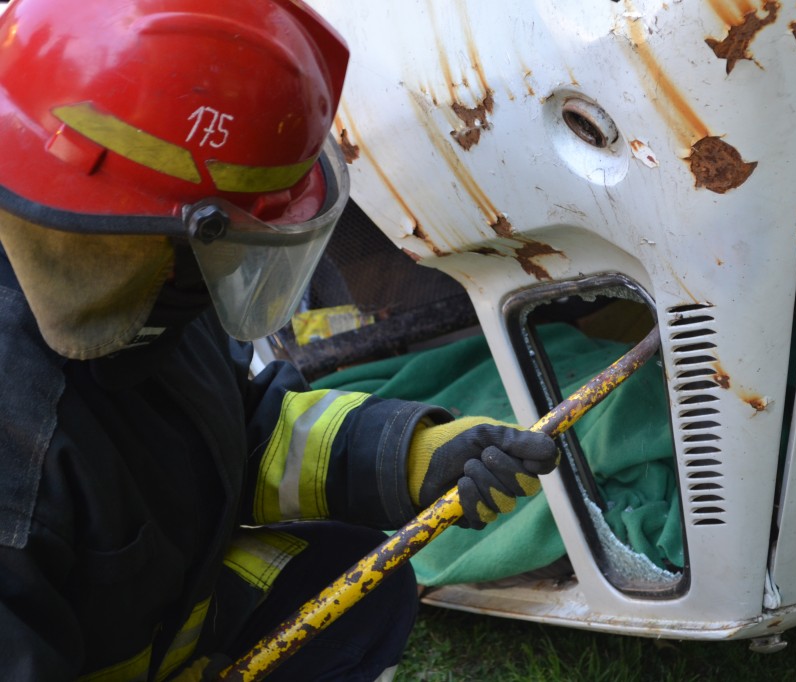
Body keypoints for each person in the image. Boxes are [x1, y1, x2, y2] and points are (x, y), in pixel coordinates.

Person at [0, 0, 559, 680]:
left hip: (160, 626)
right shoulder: (21, 448)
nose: (229, 273)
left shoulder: (135, 293)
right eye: (235, 240)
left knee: (349, 580)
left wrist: (414, 458)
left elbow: (234, 432)